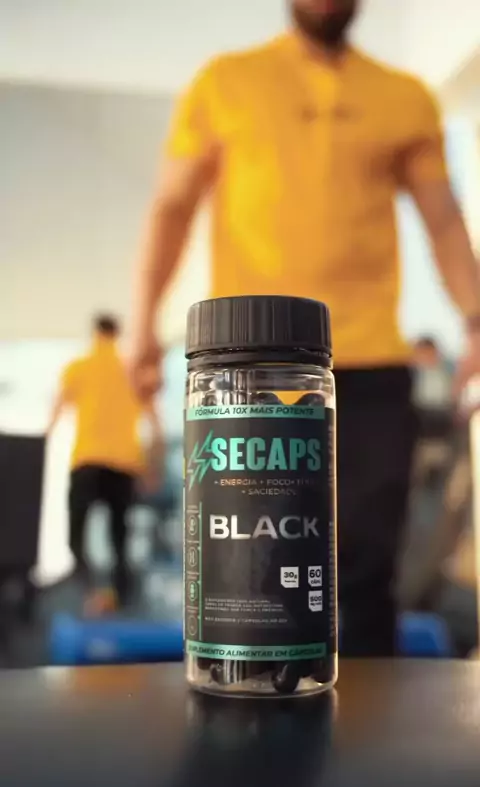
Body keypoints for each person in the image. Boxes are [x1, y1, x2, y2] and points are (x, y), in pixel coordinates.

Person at [128, 0, 480, 655]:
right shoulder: (225, 83)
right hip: (249, 368)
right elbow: (172, 206)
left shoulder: (403, 98)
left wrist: (477, 319)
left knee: (368, 567)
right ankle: (247, 695)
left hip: (370, 361)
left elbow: (443, 219)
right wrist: (142, 324)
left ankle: (365, 712)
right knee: (250, 555)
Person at [48, 314, 162, 615]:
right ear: (117, 333)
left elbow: (57, 410)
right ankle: (119, 600)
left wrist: (40, 447)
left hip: (87, 461)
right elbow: (155, 425)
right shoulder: (131, 371)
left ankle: (88, 593)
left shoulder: (79, 367)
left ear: (94, 332)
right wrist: (152, 467)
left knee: (76, 535)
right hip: (124, 466)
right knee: (119, 539)